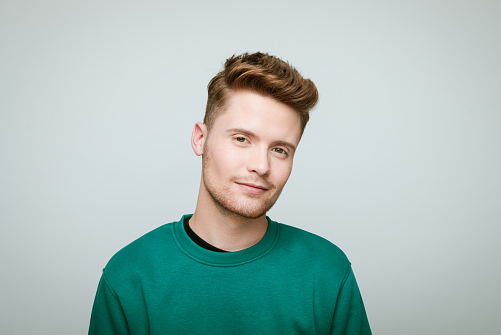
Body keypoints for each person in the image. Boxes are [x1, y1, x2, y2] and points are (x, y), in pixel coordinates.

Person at [89, 52, 371, 334]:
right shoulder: (129, 276)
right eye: (241, 139)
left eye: (279, 149)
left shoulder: (327, 273)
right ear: (201, 139)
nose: (261, 166)